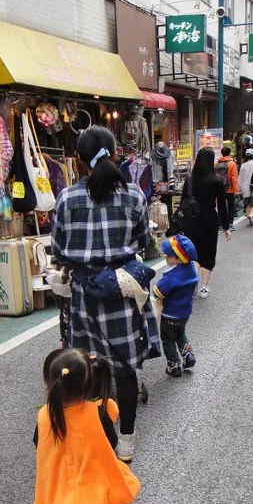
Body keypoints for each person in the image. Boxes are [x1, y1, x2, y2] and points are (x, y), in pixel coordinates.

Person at [52, 126, 161, 464]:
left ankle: (101, 434)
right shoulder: (132, 195)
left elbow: (59, 250)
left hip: (84, 295)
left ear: (80, 160)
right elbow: (144, 241)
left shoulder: (67, 198)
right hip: (121, 290)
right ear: (114, 154)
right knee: (126, 369)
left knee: (89, 367)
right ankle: (125, 443)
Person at [34, 348, 140, 504]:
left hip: (60, 484)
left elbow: (37, 443)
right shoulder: (98, 413)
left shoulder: (44, 415)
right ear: (87, 385)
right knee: (106, 503)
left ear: (49, 386)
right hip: (91, 479)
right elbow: (110, 441)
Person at [181, 147, 231, 300]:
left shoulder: (189, 180)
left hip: (192, 221)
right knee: (209, 252)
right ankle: (204, 287)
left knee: (193, 252)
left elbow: (183, 202)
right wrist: (226, 228)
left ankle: (193, 283)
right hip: (210, 219)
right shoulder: (217, 181)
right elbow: (222, 206)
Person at [153, 235, 199, 377]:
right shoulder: (190, 269)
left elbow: (158, 292)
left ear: (178, 259)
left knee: (168, 340)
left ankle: (174, 365)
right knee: (180, 334)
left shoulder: (172, 277)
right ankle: (188, 354)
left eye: (169, 256)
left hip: (169, 315)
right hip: (184, 314)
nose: (166, 258)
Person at [216, 146, 239, 230]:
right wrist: (236, 191)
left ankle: (220, 224)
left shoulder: (217, 163)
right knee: (231, 207)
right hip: (229, 189)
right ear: (229, 153)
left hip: (219, 189)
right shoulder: (232, 163)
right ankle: (230, 224)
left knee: (220, 206)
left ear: (222, 153)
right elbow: (234, 178)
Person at [238, 151, 253, 227]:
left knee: (248, 204)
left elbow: (240, 178)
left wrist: (239, 189)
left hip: (245, 186)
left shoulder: (243, 165)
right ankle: (251, 215)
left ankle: (248, 221)